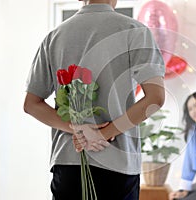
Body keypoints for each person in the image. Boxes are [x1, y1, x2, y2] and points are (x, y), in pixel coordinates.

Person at [23, 0, 165, 199]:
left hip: (67, 163)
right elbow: (155, 98)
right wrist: (104, 133)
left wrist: (77, 128)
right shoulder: (134, 31)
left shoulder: (54, 37)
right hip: (118, 164)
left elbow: (31, 104)